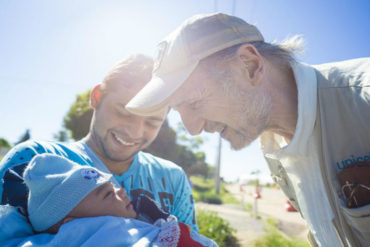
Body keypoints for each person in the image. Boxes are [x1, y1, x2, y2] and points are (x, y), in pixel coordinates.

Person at [126, 13, 370, 247]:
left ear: (249, 64)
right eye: (179, 111)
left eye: (194, 102)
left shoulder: (364, 97)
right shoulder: (272, 147)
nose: (193, 129)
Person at [0, 54, 197, 234]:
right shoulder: (33, 160)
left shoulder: (173, 179)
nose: (134, 132)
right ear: (97, 97)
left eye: (152, 122)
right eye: (123, 112)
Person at [13, 153, 216, 247]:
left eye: (115, 187)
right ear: (73, 224)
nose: (123, 193)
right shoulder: (112, 232)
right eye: (108, 194)